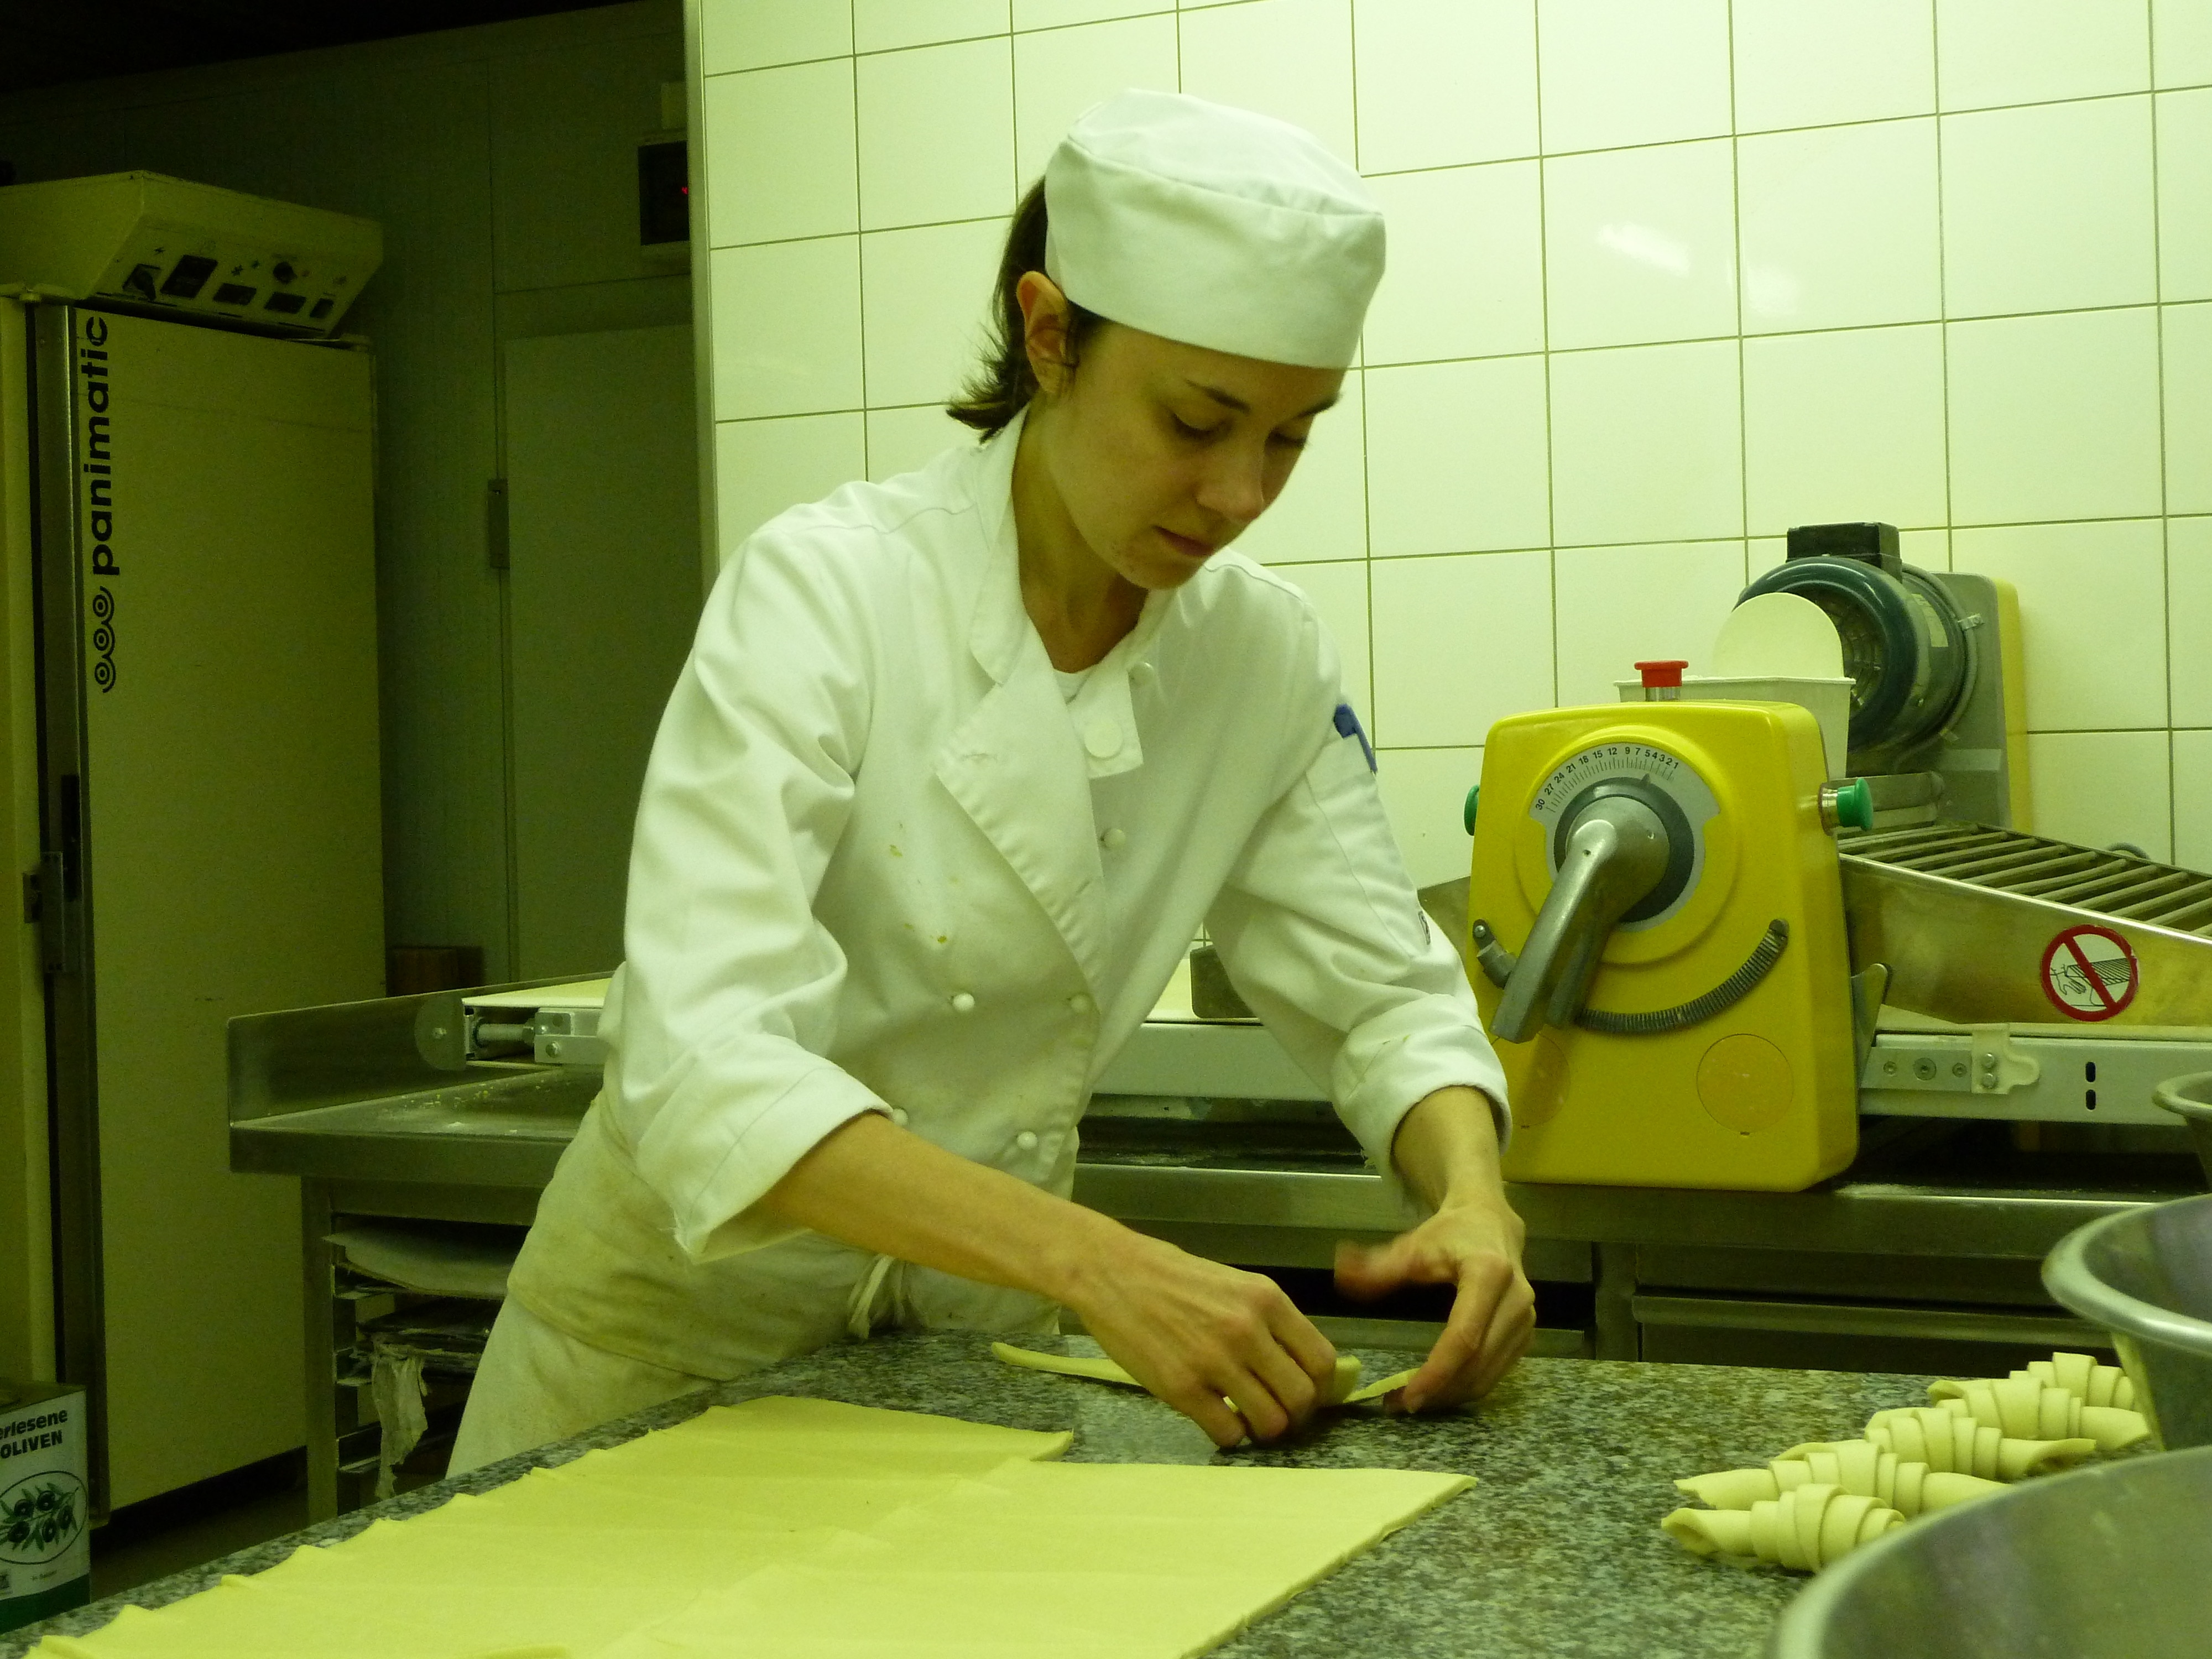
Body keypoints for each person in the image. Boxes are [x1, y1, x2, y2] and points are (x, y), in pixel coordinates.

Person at [450, 89, 1531, 1473]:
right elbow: (699, 1060)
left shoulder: (1257, 652)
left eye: (1290, 436)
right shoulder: (828, 590)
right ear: (1046, 336)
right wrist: (1100, 1267)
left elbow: (1377, 989)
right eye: (1198, 422)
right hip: (658, 1354)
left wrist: (1473, 1198)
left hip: (952, 1365)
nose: (1239, 494)